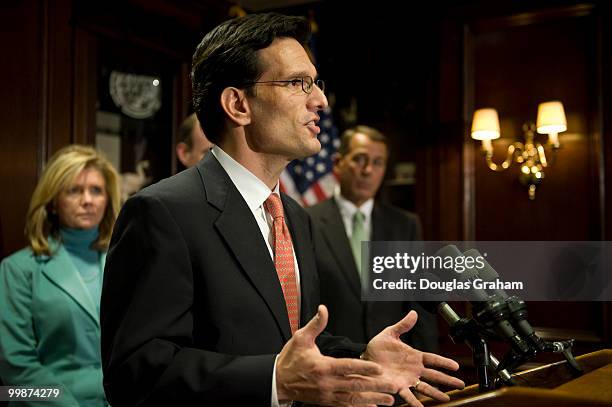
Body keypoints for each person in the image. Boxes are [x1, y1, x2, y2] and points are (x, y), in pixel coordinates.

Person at [101, 13, 464, 407]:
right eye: (297, 83)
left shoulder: (294, 216)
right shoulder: (161, 212)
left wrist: (361, 358)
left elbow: (295, 339)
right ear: (238, 104)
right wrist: (276, 381)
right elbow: (135, 374)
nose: (320, 100)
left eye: (315, 83)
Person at [0, 145, 120, 406]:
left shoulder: (125, 263)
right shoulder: (17, 270)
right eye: (74, 190)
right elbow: (14, 370)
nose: (87, 200)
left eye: (96, 191)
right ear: (53, 201)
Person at [307, 125, 439, 351]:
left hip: (394, 370)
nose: (368, 170)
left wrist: (428, 374)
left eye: (378, 162)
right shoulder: (306, 221)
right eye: (360, 159)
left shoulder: (405, 225)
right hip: (332, 367)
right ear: (338, 163)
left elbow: (420, 306)